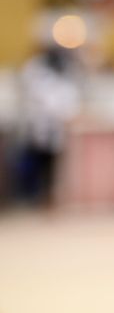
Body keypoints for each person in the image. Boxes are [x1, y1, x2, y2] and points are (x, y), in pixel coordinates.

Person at [17, 47, 81, 208]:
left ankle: (48, 200)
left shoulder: (58, 80)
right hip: (40, 130)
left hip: (50, 131)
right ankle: (40, 199)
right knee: (41, 167)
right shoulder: (41, 76)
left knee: (51, 168)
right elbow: (55, 107)